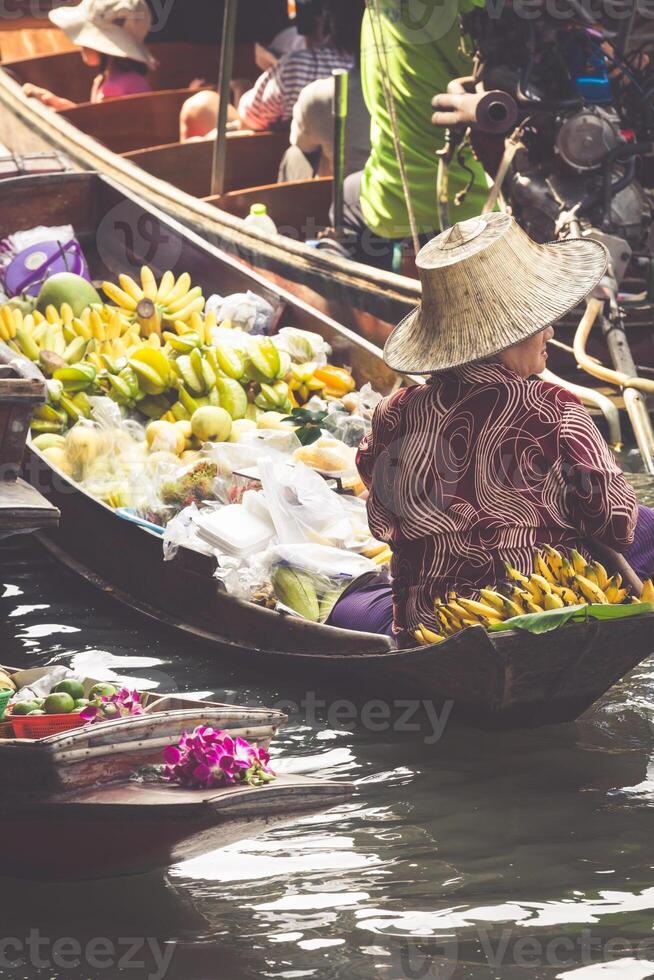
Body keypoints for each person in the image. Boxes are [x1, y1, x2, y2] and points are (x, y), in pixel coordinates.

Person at [327, 213, 653, 645]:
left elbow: (383, 521)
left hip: (427, 627)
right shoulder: (558, 409)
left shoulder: (392, 414)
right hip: (545, 607)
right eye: (541, 321)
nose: (550, 331)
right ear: (511, 333)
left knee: (347, 603)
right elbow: (615, 525)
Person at [341, 0, 489, 270]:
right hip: (486, 201)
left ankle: (374, 306)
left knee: (348, 195)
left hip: (401, 198)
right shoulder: (493, 15)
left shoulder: (380, 9)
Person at [22, 0, 154, 109]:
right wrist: (57, 103)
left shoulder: (113, 89)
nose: (79, 44)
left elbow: (102, 132)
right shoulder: (111, 78)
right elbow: (96, 123)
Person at [278, 24, 369, 180]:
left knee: (294, 156)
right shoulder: (416, 88)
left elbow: (302, 145)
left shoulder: (318, 94)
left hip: (354, 194)